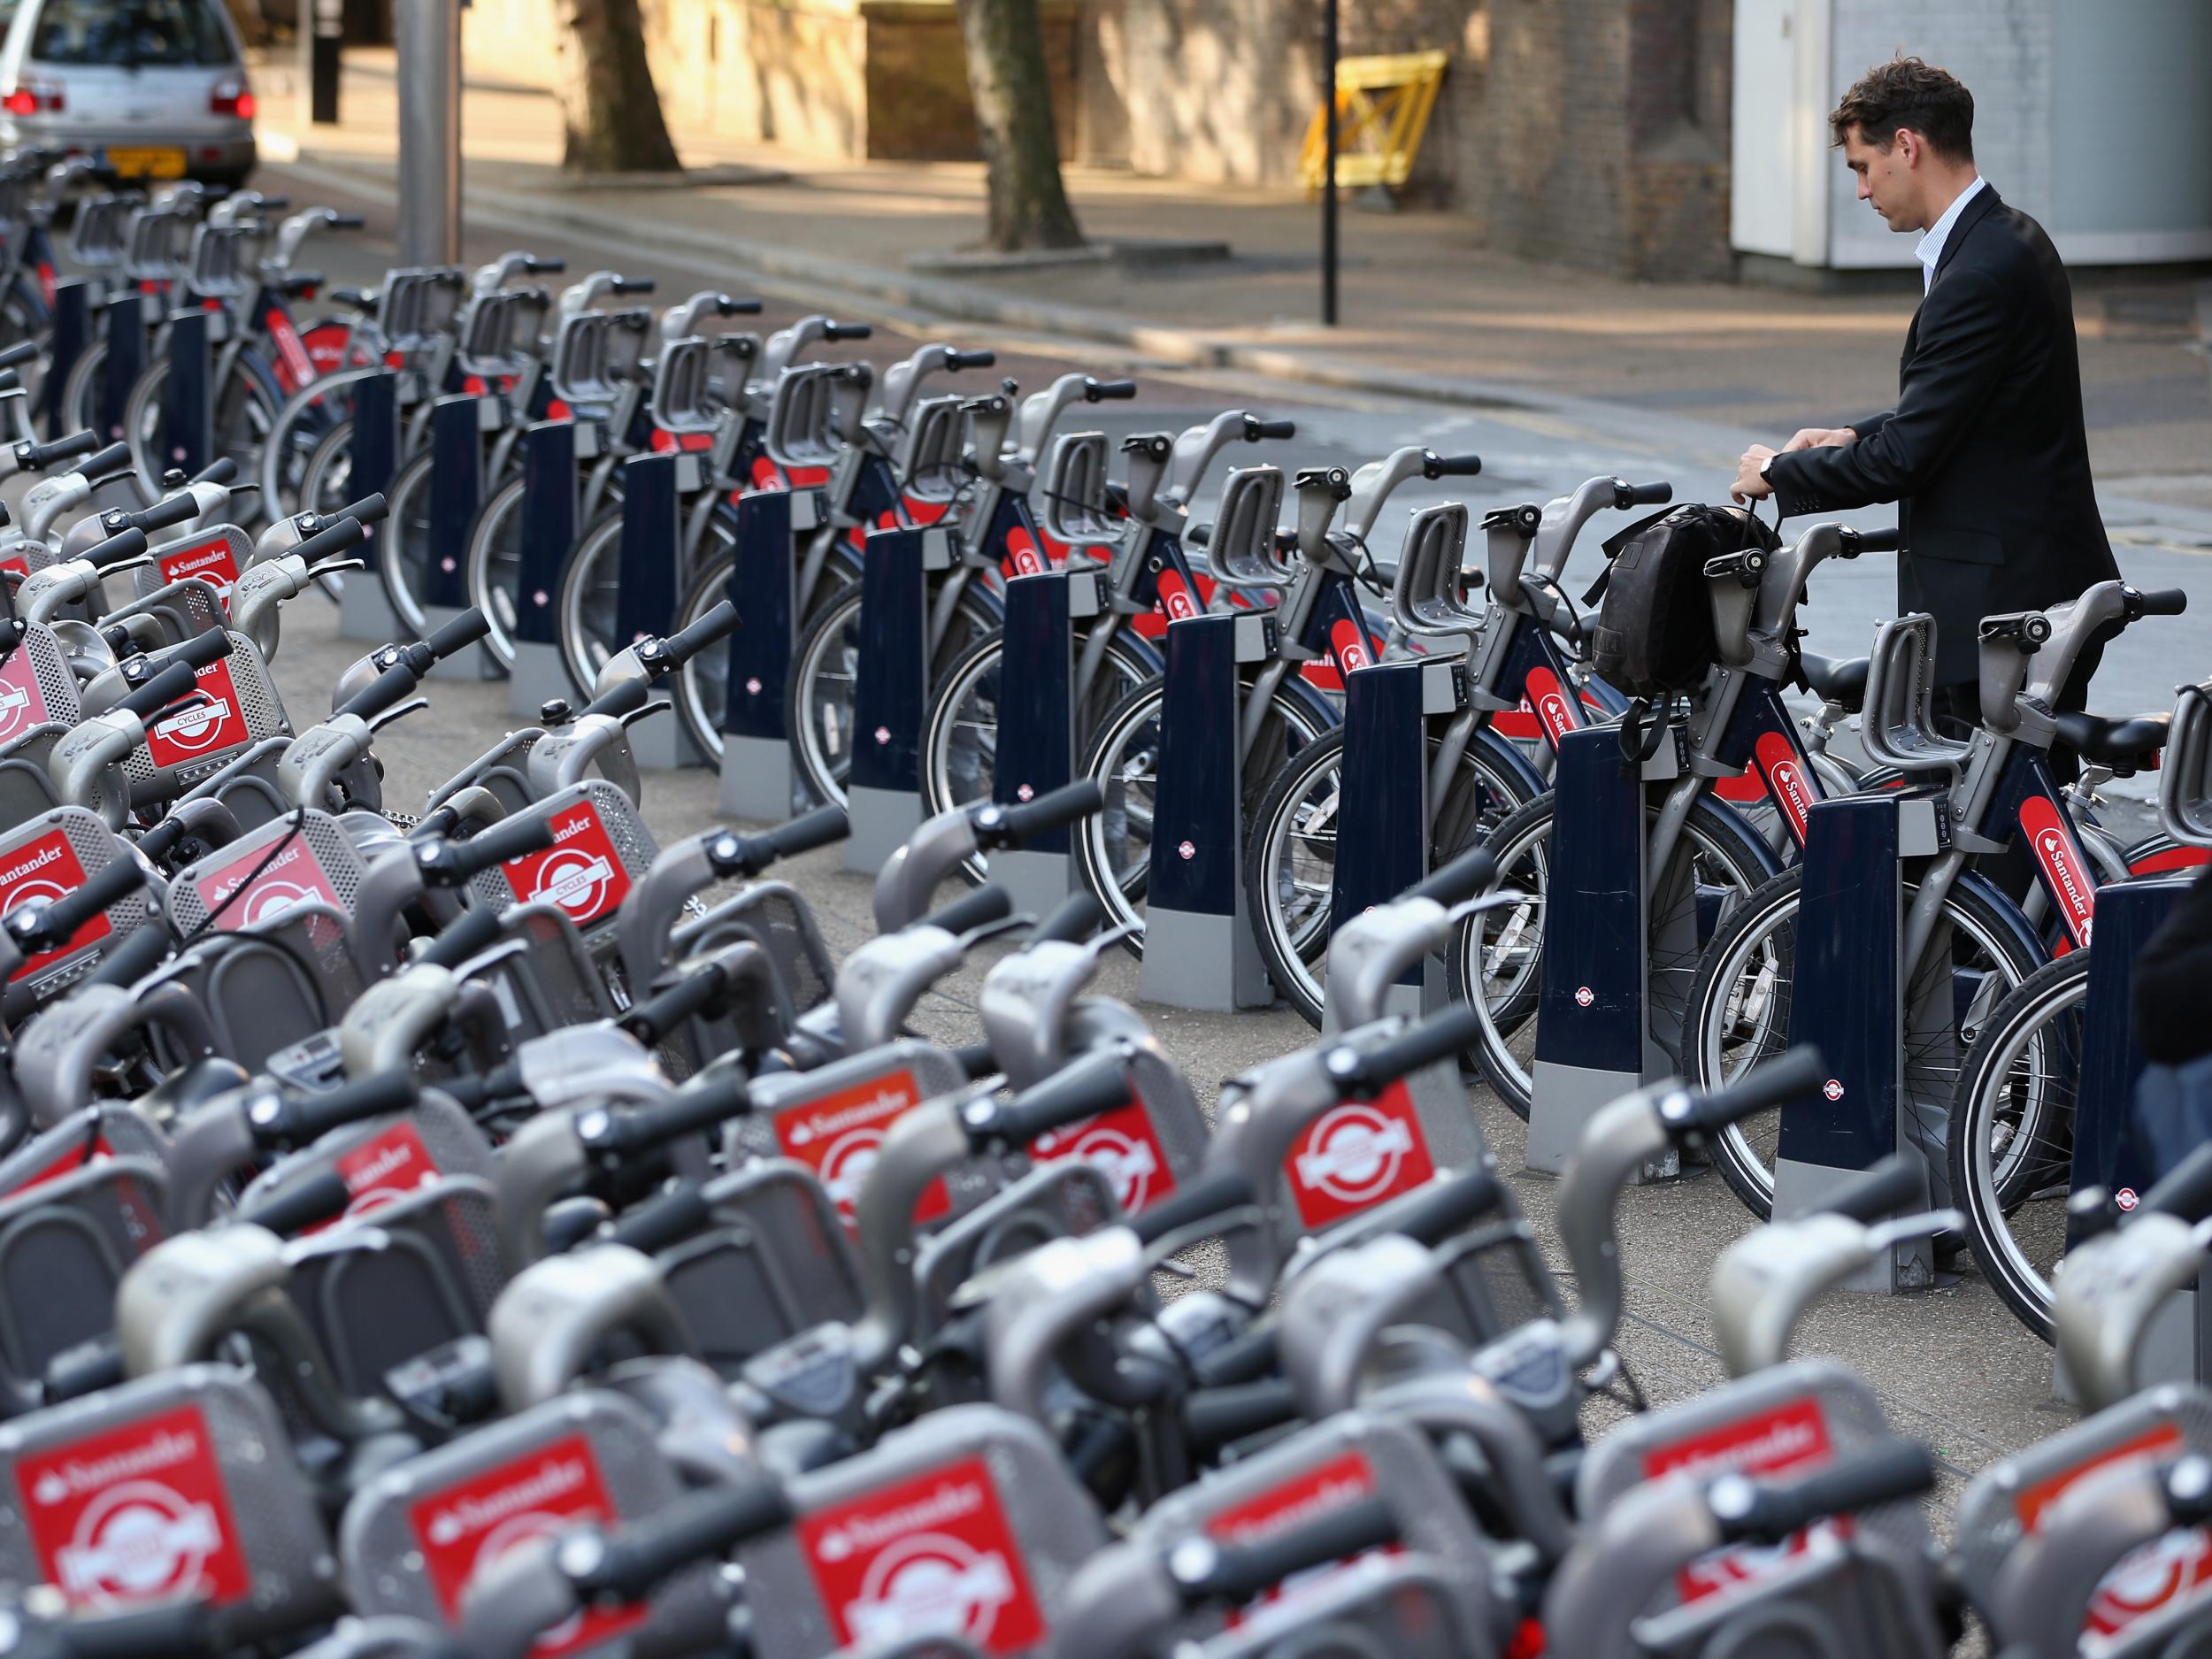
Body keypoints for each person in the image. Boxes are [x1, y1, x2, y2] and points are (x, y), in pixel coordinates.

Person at [1729, 57, 2119, 762]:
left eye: (1862, 165)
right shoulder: (2005, 238)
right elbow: (1965, 403)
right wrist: (1851, 434)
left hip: (2004, 613)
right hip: (2019, 593)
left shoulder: (1981, 268)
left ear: (1907, 146)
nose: (1859, 190)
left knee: (1984, 850)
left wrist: (1783, 474)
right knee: (1991, 840)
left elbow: (1912, 454)